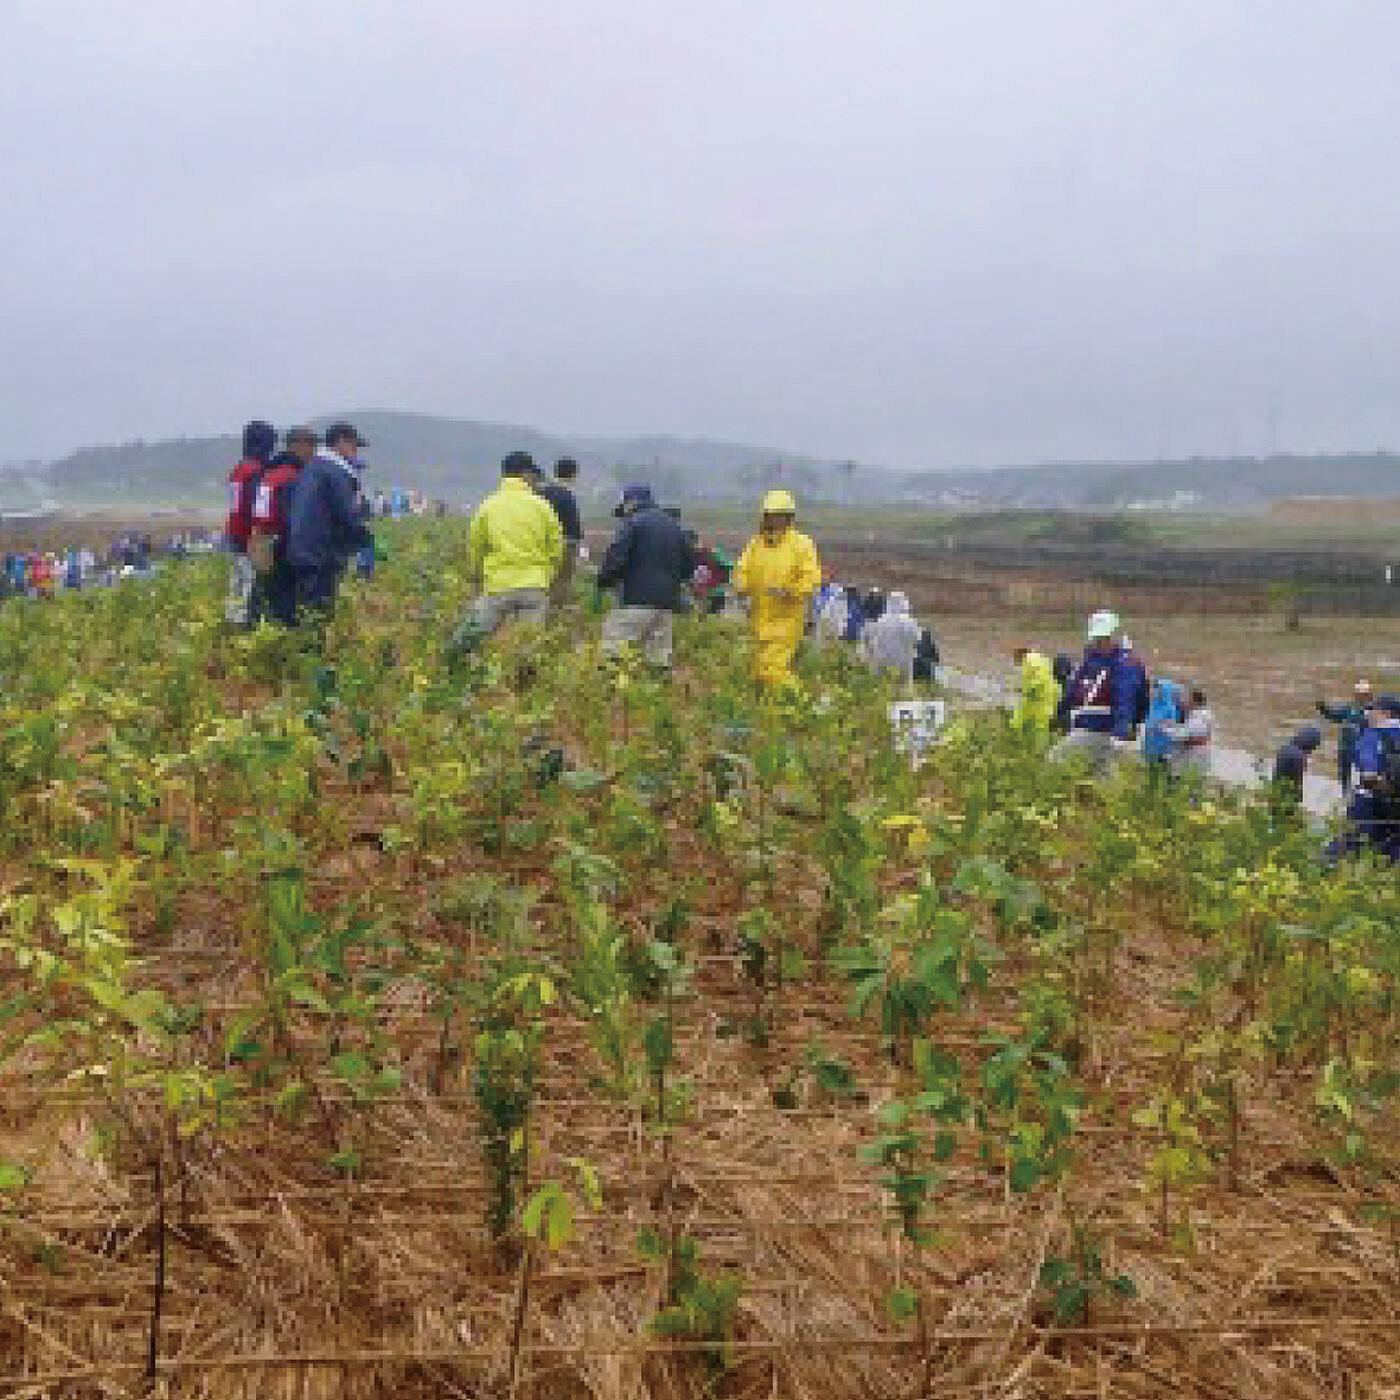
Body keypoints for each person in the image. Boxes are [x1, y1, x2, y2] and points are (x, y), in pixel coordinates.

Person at [453, 451, 563, 647]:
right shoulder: (542, 506)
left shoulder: (488, 506)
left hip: (498, 585)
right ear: (526, 474)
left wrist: (477, 574)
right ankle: (522, 676)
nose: (535, 480)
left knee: (468, 639)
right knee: (527, 647)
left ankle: (454, 671)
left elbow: (476, 545)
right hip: (534, 586)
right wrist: (548, 574)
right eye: (533, 475)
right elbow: (556, 547)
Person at [596, 484, 696, 668]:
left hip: (635, 599)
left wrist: (604, 580)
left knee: (614, 651)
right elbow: (690, 565)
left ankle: (613, 694)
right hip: (666, 603)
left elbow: (616, 557)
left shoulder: (634, 523)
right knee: (657, 658)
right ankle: (658, 692)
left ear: (631, 502)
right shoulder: (674, 526)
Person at [284, 422, 374, 618]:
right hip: (319, 553)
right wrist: (366, 541)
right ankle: (312, 648)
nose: (356, 451)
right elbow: (348, 514)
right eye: (354, 445)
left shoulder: (315, 468)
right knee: (318, 612)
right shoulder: (333, 472)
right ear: (340, 442)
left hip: (302, 549)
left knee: (306, 610)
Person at [733, 489, 822, 687]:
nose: (775, 519)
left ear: (789, 517)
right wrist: (741, 587)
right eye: (772, 515)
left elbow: (811, 577)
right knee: (758, 672)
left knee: (774, 670)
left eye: (781, 515)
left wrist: (790, 591)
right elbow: (742, 568)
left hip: (786, 620)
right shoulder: (756, 544)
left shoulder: (802, 544)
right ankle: (771, 713)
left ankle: (802, 704)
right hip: (759, 618)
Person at [1051, 610, 1138, 773]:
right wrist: (1058, 715)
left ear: (1114, 637)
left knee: (1055, 760)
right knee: (1095, 776)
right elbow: (1071, 692)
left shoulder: (1123, 665)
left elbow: (1125, 699)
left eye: (1104, 639)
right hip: (1083, 727)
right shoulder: (1089, 662)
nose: (1099, 643)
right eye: (1097, 639)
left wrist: (1120, 733)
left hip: (1103, 731)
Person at [250, 426, 316, 626]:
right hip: (282, 544)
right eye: (311, 446)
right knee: (285, 600)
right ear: (299, 446)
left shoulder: (270, 473)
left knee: (263, 592)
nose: (314, 452)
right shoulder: (294, 476)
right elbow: (296, 516)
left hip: (262, 539)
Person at [1335, 695, 1400, 861]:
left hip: (1369, 800)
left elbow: (1368, 773)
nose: (1368, 713)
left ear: (1385, 713)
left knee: (1351, 841)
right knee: (1392, 847)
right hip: (1395, 803)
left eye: (1372, 709)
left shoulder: (1373, 735)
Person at [224, 420, 275, 626]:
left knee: (237, 585)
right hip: (247, 536)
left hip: (234, 532)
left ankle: (233, 624)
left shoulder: (239, 468)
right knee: (248, 586)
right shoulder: (255, 471)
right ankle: (242, 628)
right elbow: (257, 509)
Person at [538, 458, 583, 605]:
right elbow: (573, 527)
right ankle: (556, 612)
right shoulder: (566, 495)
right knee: (561, 582)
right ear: (573, 474)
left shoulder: (542, 492)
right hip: (564, 544)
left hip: (541, 543)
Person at [1317, 680, 1372, 795]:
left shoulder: (1372, 711)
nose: (1360, 697)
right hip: (1345, 746)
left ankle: (1363, 796)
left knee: (1364, 775)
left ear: (1368, 695)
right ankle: (1345, 794)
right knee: (1344, 774)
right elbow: (1334, 716)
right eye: (1358, 694)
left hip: (1362, 749)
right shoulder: (1349, 708)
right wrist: (1323, 708)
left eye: (1363, 694)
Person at [863, 590, 922, 684]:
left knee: (883, 687)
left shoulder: (881, 620)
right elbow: (917, 639)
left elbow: (873, 641)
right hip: (903, 662)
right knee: (902, 690)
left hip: (883, 662)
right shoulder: (909, 622)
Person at [1142, 677, 1186, 782]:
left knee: (1162, 772)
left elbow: (1171, 727)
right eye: (1156, 688)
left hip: (1163, 747)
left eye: (1159, 689)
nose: (1156, 691)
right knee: (1151, 772)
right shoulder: (1154, 705)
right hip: (1150, 745)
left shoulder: (1170, 708)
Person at [1164, 688, 1215, 780]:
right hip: (1199, 753)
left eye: (1188, 699)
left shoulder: (1198, 717)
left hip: (1193, 754)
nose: (1185, 702)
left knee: (1188, 779)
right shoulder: (1203, 715)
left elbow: (1185, 734)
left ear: (1194, 701)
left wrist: (1167, 729)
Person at [1271, 725, 1322, 815]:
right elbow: (1297, 781)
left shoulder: (1285, 748)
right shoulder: (1299, 757)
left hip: (1275, 792)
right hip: (1287, 797)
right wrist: (1299, 798)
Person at [1011, 645, 1058, 738]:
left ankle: (1018, 740)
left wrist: (1026, 690)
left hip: (1037, 697)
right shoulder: (1042, 659)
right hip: (1047, 696)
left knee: (1022, 723)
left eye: (1015, 658)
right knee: (1041, 726)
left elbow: (1036, 681)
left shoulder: (1029, 661)